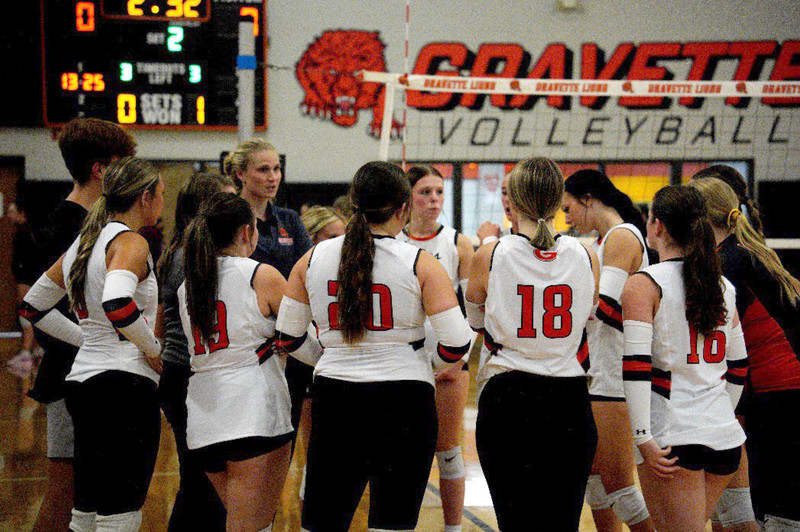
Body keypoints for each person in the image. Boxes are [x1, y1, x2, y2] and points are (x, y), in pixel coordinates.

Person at [276, 161, 472, 532]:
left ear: (353, 204)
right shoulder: (421, 263)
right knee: (392, 524)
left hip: (336, 398)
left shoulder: (311, 259)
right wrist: (423, 365)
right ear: (404, 208)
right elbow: (457, 341)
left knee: (322, 523)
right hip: (405, 400)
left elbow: (287, 337)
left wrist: (331, 356)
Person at [22, 156, 164, 531]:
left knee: (85, 511)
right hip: (124, 386)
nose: (162, 203)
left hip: (83, 384)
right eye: (161, 194)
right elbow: (117, 303)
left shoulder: (84, 243)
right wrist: (153, 350)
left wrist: (86, 338)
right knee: (121, 512)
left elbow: (32, 306)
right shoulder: (130, 242)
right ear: (146, 197)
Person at [465, 157, 600, 531]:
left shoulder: (490, 253)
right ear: (558, 201)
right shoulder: (587, 254)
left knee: (516, 523)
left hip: (509, 398)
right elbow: (588, 317)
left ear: (512, 202)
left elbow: (476, 322)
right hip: (570, 400)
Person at [179, 192, 319, 531]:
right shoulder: (261, 275)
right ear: (247, 231)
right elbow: (296, 339)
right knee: (250, 527)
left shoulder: (188, 283)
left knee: (247, 523)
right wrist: (331, 361)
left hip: (203, 416)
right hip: (252, 414)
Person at [621, 185, 747, 532]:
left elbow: (635, 368)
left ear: (657, 225)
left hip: (672, 438)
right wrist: (717, 414)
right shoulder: (723, 285)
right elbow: (739, 367)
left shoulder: (644, 284)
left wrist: (642, 436)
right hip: (723, 439)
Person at [688, 176, 800, 531]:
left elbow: (709, 334)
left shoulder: (728, 263)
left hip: (777, 388)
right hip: (779, 387)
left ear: (699, 221)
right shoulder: (745, 251)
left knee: (776, 494)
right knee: (773, 491)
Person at [562, 169, 654, 532]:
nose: (566, 218)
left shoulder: (622, 236)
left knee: (619, 486)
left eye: (568, 209)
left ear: (587, 199)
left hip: (615, 374)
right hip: (598, 370)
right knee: (596, 483)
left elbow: (605, 306)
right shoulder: (603, 240)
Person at [155, 172, 235, 531]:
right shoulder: (191, 255)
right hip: (188, 375)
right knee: (202, 482)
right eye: (227, 200)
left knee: (203, 480)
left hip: (183, 374)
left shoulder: (180, 250)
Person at [397, 164, 474, 532]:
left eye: (439, 192)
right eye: (425, 192)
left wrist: (457, 359)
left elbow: (473, 312)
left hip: (449, 362)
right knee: (403, 453)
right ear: (408, 198)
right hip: (402, 360)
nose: (433, 200)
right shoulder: (394, 241)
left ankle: (453, 528)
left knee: (449, 451)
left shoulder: (458, 243)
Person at [223, 138, 314, 450]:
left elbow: (308, 272)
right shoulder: (226, 219)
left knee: (286, 428)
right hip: (246, 337)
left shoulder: (289, 220)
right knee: (246, 434)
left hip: (288, 334)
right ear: (241, 174)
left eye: (276, 169)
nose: (273, 177)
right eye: (263, 169)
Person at [476, 172, 515, 246]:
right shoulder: (499, 237)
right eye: (504, 193)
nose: (507, 199)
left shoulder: (537, 239)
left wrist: (489, 240)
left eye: (514, 194)